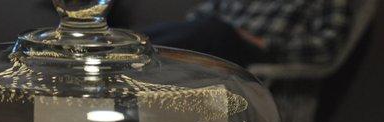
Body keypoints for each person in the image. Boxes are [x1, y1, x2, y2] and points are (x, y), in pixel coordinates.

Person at [145, 0, 351, 67]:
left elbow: (326, 47)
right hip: (212, 49)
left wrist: (263, 43)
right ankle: (125, 46)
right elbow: (197, 19)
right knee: (145, 35)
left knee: (217, 30)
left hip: (259, 55)